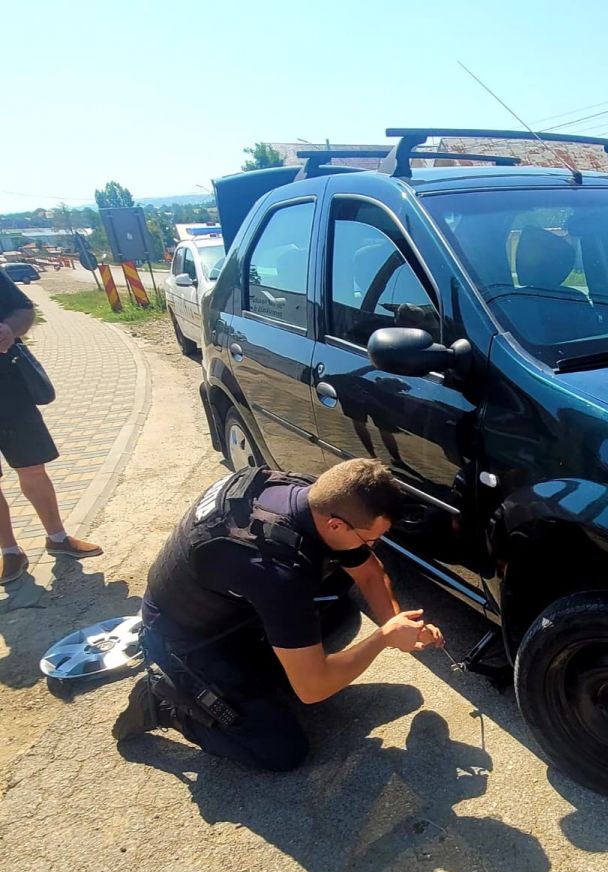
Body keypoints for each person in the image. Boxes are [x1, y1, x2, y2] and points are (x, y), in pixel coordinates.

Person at [112, 458, 444, 772]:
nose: (373, 546)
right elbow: (313, 689)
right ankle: (165, 703)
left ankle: (264, 678)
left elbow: (370, 574)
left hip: (226, 607)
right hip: (184, 642)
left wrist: (400, 625)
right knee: (282, 750)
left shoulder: (308, 496)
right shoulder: (276, 572)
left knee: (339, 610)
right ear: (336, 525)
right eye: (371, 539)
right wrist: (384, 639)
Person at [0, 269, 102, 585]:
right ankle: (10, 551)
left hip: (8, 391)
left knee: (32, 469)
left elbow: (24, 310)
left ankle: (57, 537)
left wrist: (9, 328)